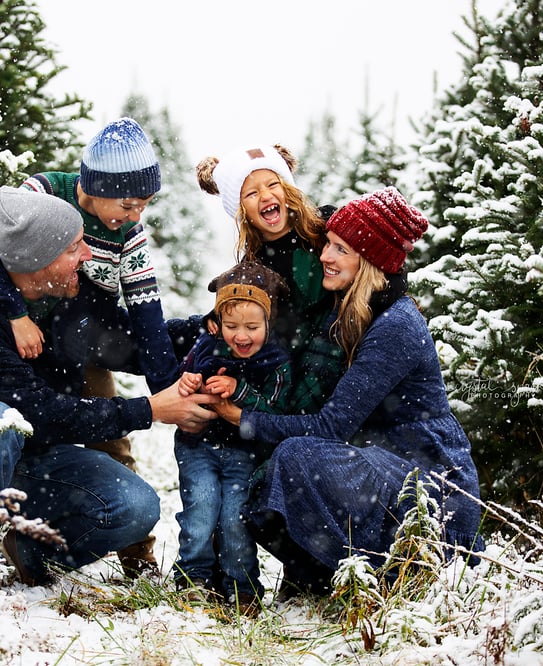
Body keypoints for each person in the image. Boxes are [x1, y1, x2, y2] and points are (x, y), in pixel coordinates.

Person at [0, 186, 218, 586]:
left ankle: (31, 560)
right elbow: (41, 414)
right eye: (74, 248)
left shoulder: (67, 297)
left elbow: (130, 341)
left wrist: (211, 327)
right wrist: (150, 410)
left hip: (34, 462)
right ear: (38, 261)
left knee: (135, 505)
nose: (88, 256)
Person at [215, 187, 484, 598]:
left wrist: (242, 419)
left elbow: (332, 425)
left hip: (434, 486)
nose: (325, 256)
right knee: (277, 464)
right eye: (327, 245)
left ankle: (395, 572)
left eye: (340, 248)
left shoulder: (395, 327)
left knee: (297, 454)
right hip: (391, 465)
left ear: (370, 261)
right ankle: (325, 575)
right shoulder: (354, 312)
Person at [0, 117, 173, 577]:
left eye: (145, 204)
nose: (136, 214)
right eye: (128, 203)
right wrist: (15, 314)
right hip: (24, 329)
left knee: (112, 440)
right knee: (7, 423)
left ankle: (137, 554)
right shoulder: (41, 194)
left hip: (80, 342)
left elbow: (146, 315)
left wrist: (169, 392)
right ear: (93, 187)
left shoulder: (128, 235)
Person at [171, 261, 292, 616]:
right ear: (216, 322)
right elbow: (184, 377)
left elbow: (275, 409)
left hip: (243, 451)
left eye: (252, 327)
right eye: (231, 325)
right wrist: (189, 382)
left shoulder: (276, 360)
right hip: (198, 447)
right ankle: (193, 581)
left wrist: (239, 391)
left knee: (235, 520)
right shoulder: (208, 347)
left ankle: (242, 588)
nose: (241, 336)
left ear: (268, 323)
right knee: (200, 511)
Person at [182, 144, 337, 413]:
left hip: (336, 341)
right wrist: (219, 314)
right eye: (251, 193)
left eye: (272, 184)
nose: (265, 196)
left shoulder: (324, 227)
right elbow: (244, 301)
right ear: (242, 210)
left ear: (287, 190)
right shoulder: (255, 264)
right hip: (293, 363)